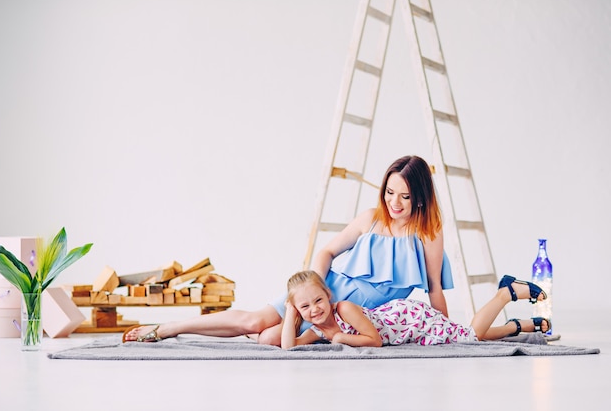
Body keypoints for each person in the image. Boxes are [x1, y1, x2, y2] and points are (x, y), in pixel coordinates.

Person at [123, 155, 455, 345]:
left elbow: (435, 287)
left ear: (421, 197)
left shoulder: (428, 233)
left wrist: (448, 332)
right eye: (389, 192)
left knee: (269, 340)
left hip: (352, 316)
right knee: (255, 321)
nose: (394, 203)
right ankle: (171, 328)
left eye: (405, 196)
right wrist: (312, 292)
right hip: (324, 295)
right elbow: (326, 252)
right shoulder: (370, 218)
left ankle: (226, 332)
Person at [280, 270, 551, 349]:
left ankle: (505, 293)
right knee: (462, 335)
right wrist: (291, 312)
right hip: (407, 329)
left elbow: (373, 341)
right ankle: (520, 325)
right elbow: (289, 348)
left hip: (411, 319)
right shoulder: (318, 329)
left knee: (470, 335)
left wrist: (341, 338)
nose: (315, 310)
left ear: (328, 295)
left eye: (318, 301)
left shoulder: (345, 310)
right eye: (305, 306)